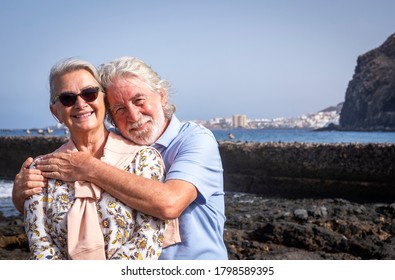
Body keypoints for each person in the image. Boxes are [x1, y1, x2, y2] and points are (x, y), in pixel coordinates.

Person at [13, 56, 228, 260]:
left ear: (162, 95)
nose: (134, 115)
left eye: (139, 100)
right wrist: (20, 198)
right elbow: (44, 235)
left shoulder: (193, 140)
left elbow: (169, 204)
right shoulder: (63, 163)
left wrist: (89, 168)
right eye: (120, 108)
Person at [21, 57, 170, 260]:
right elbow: (40, 246)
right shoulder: (41, 169)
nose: (81, 104)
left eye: (89, 94)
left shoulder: (143, 159)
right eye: (67, 98)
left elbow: (147, 239)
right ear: (55, 112)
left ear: (103, 100)